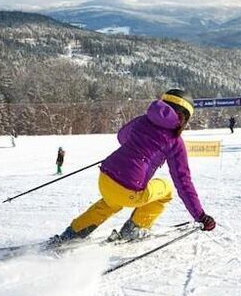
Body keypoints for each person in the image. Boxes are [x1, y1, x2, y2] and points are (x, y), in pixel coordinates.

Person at [50, 89, 215, 244]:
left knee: (110, 203)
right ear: (183, 118)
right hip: (129, 191)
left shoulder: (142, 120)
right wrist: (200, 216)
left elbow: (122, 136)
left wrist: (136, 147)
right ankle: (134, 229)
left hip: (105, 178)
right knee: (166, 190)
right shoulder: (175, 142)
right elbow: (183, 181)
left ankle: (72, 234)